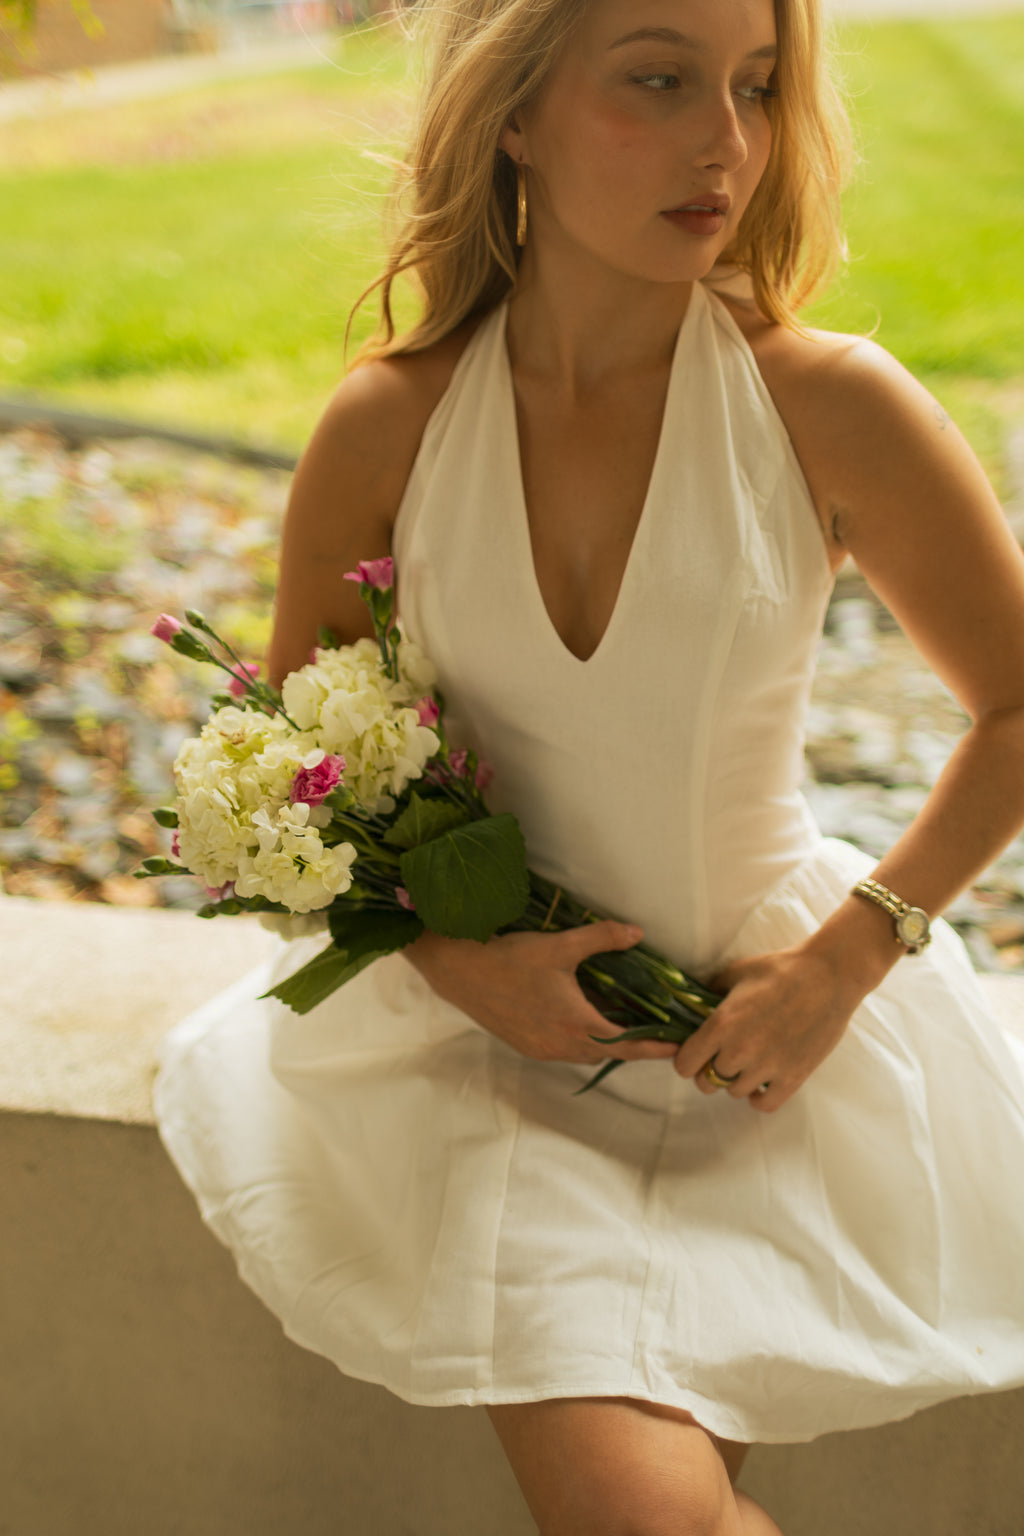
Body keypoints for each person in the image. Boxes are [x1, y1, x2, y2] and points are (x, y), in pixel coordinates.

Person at [154, 0, 1024, 1531]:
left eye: (757, 87)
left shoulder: (829, 405)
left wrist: (846, 959)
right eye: (660, 80)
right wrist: (453, 966)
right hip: (493, 1075)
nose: (728, 141)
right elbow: (289, 777)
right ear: (515, 114)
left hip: (759, 1055)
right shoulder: (388, 426)